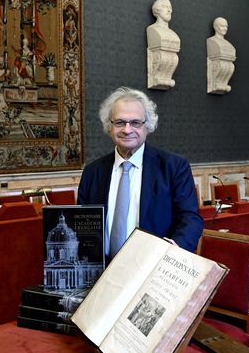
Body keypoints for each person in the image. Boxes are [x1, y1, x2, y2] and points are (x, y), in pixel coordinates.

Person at [77, 87, 202, 257]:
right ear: (109, 126)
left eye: (135, 123)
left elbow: (190, 218)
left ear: (147, 126)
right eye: (120, 122)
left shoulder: (174, 167)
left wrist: (175, 249)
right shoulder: (92, 173)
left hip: (153, 269)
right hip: (101, 273)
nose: (127, 130)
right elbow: (82, 226)